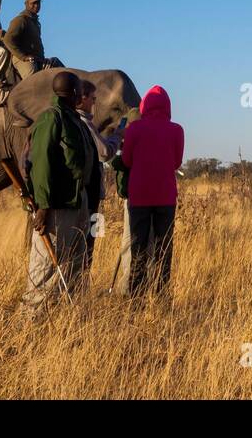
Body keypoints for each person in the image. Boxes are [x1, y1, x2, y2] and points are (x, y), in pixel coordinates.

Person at [22, 70, 91, 312]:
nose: (83, 96)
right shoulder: (51, 119)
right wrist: (43, 206)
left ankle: (64, 320)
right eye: (80, 91)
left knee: (72, 264)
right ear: (73, 93)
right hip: (56, 205)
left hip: (75, 201)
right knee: (45, 267)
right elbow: (41, 165)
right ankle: (29, 321)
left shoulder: (73, 120)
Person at [120, 85, 184, 298]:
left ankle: (136, 297)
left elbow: (126, 160)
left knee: (138, 247)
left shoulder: (134, 129)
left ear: (144, 105)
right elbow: (176, 162)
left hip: (139, 197)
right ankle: (161, 295)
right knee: (163, 248)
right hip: (165, 197)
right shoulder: (177, 130)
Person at [74, 79, 121, 286]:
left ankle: (82, 280)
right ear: (82, 98)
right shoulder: (84, 121)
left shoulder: (74, 121)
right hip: (90, 194)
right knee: (89, 238)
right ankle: (83, 282)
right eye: (93, 99)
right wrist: (117, 136)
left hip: (87, 193)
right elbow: (104, 153)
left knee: (93, 234)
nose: (94, 103)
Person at [5, 0, 62, 80]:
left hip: (37, 58)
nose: (36, 5)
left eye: (38, 3)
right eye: (33, 3)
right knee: (33, 80)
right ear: (26, 4)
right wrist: (23, 57)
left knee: (59, 66)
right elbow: (7, 39)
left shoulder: (35, 22)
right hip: (22, 59)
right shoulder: (20, 20)